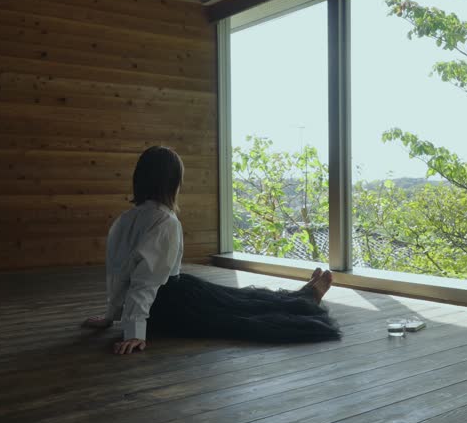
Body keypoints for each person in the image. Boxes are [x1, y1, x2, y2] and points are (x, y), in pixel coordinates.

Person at [82, 146, 341, 355]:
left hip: (162, 301)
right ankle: (306, 300)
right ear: (172, 184)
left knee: (240, 300)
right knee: (243, 312)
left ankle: (305, 296)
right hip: (166, 307)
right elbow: (144, 282)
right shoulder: (165, 222)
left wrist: (110, 316)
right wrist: (135, 332)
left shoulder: (123, 220)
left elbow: (118, 276)